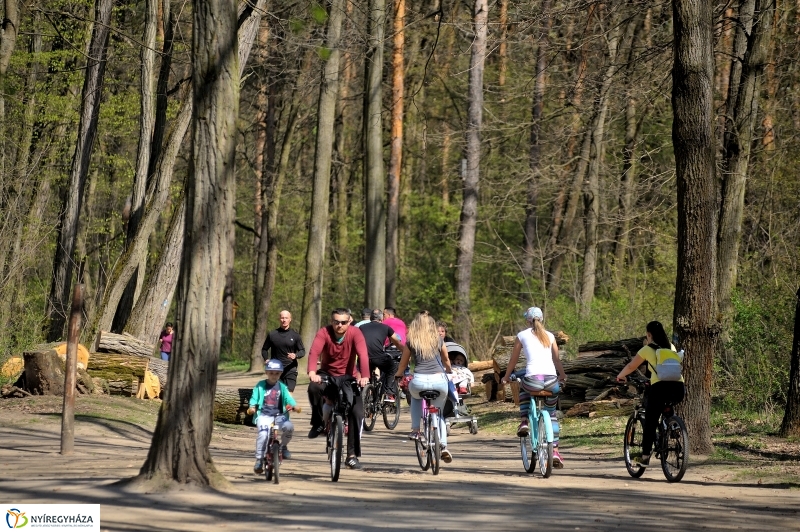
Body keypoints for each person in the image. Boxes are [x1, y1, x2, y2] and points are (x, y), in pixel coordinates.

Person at [501, 306, 567, 468]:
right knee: (552, 415)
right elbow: (557, 360)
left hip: (533, 380)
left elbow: (513, 361)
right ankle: (556, 451)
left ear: (527, 320)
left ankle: (524, 421)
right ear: (542, 319)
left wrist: (506, 376)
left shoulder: (522, 335)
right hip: (552, 381)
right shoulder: (550, 336)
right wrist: (562, 376)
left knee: (523, 386)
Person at [306, 308, 371, 469]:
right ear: (331, 321)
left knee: (357, 412)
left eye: (343, 322)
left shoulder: (356, 333)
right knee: (313, 388)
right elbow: (314, 353)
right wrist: (312, 372)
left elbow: (363, 355)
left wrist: (365, 376)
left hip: (348, 377)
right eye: (336, 322)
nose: (339, 325)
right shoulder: (324, 333)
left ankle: (351, 455)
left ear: (350, 321)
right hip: (327, 374)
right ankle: (318, 423)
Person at [615, 320, 685, 468]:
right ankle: (672, 427)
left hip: (659, 388)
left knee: (650, 422)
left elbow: (631, 366)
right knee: (665, 407)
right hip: (679, 388)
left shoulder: (648, 349)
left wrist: (620, 376)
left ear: (649, 335)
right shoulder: (671, 347)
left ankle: (645, 457)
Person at [395, 311, 454, 463]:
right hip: (439, 381)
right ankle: (444, 445)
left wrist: (398, 374)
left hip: (419, 380)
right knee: (439, 413)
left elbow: (403, 363)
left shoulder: (412, 340)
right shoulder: (438, 339)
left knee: (415, 397)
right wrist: (449, 370)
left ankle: (416, 430)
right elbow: (446, 359)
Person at [247, 359, 297, 471]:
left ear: (280, 374)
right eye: (271, 373)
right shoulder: (260, 385)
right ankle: (259, 459)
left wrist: (294, 406)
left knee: (289, 427)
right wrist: (252, 407)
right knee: (263, 435)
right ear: (266, 373)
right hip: (264, 416)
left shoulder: (282, 387)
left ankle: (283, 447)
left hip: (279, 416)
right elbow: (254, 397)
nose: (274, 376)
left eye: (277, 373)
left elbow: (288, 398)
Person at [360, 309, 404, 400]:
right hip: (379, 358)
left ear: (371, 318)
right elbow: (397, 342)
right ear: (382, 318)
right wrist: (404, 352)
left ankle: (364, 394)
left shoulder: (361, 327)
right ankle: (389, 393)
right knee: (392, 368)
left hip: (363, 358)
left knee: (364, 376)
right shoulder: (386, 327)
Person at [261, 310, 306, 392]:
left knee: (289, 393)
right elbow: (264, 349)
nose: (284, 320)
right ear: (279, 319)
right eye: (282, 318)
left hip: (290, 369)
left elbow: (302, 351)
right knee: (278, 394)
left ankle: (288, 405)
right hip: (276, 370)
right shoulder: (272, 334)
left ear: (290, 319)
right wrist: (266, 359)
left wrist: (295, 355)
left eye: (286, 318)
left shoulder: (295, 335)